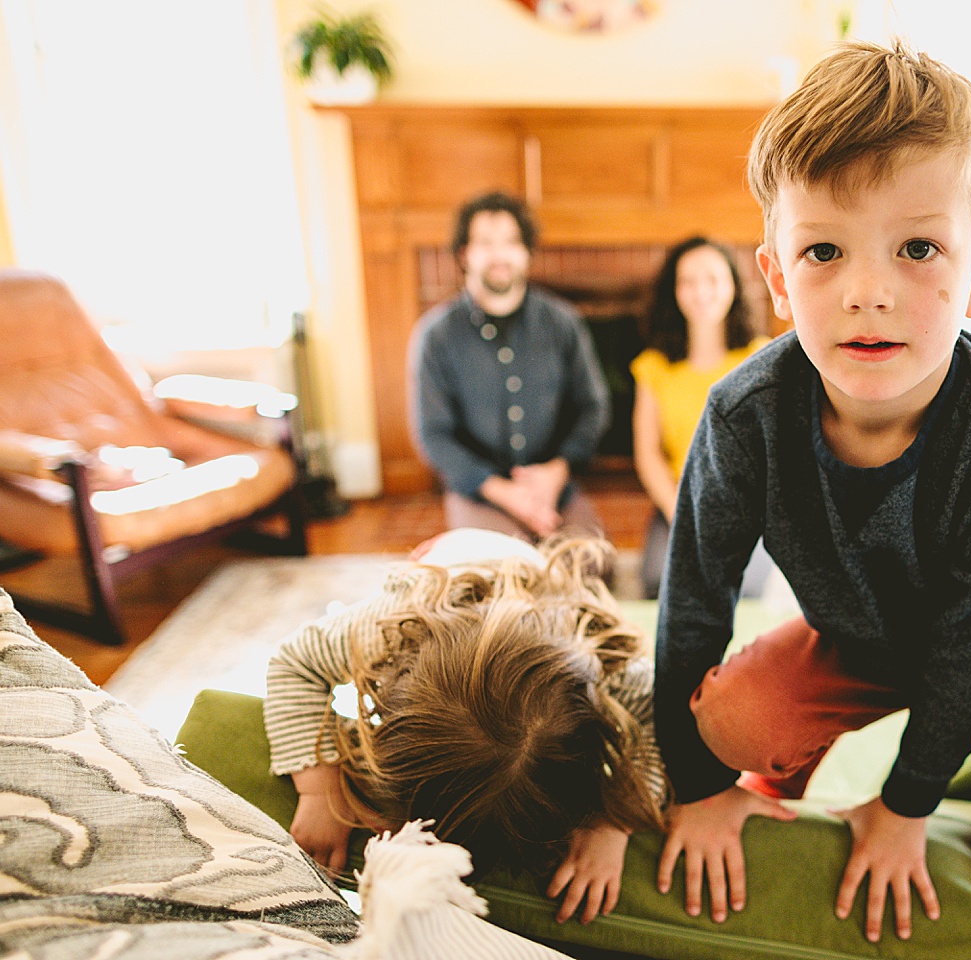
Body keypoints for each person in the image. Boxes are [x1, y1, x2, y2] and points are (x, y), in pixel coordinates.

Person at [652, 39, 971, 944]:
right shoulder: (742, 417)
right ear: (775, 277)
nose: (869, 292)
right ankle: (788, 761)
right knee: (730, 723)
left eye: (918, 247)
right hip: (857, 631)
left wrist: (904, 806)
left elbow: (969, 650)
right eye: (823, 251)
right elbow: (694, 597)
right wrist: (694, 790)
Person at [264, 527, 665, 925]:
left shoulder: (608, 672)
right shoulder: (388, 628)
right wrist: (319, 789)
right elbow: (294, 661)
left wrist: (611, 823)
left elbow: (660, 717)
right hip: (443, 561)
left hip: (542, 589)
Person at [409, 192, 611, 542]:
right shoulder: (436, 335)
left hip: (554, 485)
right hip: (479, 490)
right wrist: (503, 491)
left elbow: (593, 408)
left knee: (590, 563)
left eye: (511, 242)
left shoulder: (563, 323)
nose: (499, 254)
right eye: (485, 243)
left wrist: (556, 472)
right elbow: (433, 433)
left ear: (527, 252)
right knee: (506, 571)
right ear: (464, 254)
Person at [629, 236, 771, 599]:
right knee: (658, 581)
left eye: (712, 279)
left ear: (733, 287)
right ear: (674, 292)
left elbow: (772, 448)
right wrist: (679, 511)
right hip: (679, 500)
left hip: (745, 506)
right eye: (688, 281)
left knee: (744, 587)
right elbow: (647, 453)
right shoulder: (655, 366)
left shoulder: (758, 357)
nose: (700, 291)